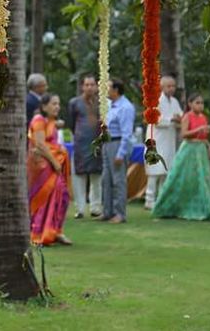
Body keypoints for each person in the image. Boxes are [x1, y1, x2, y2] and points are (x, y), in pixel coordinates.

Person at [152, 93, 210, 221]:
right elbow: (184, 134)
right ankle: (168, 206)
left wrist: (209, 146)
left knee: (201, 179)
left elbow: (203, 137)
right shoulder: (187, 117)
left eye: (202, 103)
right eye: (197, 103)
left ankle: (202, 208)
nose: (200, 105)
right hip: (189, 149)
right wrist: (198, 130)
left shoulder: (203, 118)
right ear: (190, 104)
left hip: (200, 150)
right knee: (181, 178)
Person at [28, 94, 72, 245]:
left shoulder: (51, 122)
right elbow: (40, 145)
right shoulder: (38, 120)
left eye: (58, 104)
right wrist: (55, 161)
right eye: (54, 104)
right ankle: (39, 232)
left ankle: (55, 231)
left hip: (52, 166)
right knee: (44, 198)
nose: (57, 107)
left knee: (62, 196)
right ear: (44, 106)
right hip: (43, 166)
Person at [66, 74, 103, 219]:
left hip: (97, 144)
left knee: (96, 176)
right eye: (86, 85)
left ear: (96, 86)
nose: (89, 87)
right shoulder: (74, 103)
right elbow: (71, 123)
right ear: (82, 86)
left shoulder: (102, 103)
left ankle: (95, 207)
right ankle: (80, 208)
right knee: (78, 176)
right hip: (80, 144)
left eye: (92, 84)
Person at [145, 75, 183, 211]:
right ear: (162, 87)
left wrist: (179, 120)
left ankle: (162, 199)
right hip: (156, 139)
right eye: (169, 86)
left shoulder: (174, 101)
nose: (172, 89)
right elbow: (155, 119)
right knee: (154, 171)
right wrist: (171, 119)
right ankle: (149, 200)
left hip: (169, 139)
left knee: (165, 171)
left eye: (173, 86)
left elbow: (181, 116)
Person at [101, 79, 134, 224]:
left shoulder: (125, 107)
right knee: (106, 179)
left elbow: (127, 133)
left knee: (118, 180)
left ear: (116, 90)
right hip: (107, 143)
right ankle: (107, 211)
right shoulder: (110, 105)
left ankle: (120, 213)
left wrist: (121, 153)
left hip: (118, 143)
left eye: (108, 87)